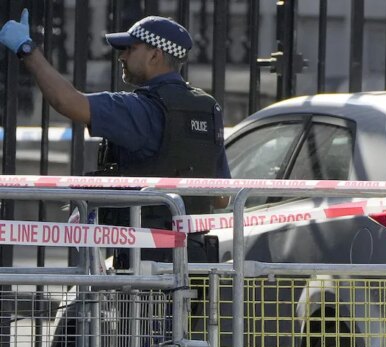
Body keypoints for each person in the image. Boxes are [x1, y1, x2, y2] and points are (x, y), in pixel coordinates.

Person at [0, 10, 230, 264]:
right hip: (196, 260)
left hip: (145, 262)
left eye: (130, 49)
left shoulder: (142, 109)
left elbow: (67, 101)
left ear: (155, 55)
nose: (121, 56)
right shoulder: (209, 108)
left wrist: (28, 51)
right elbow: (221, 197)